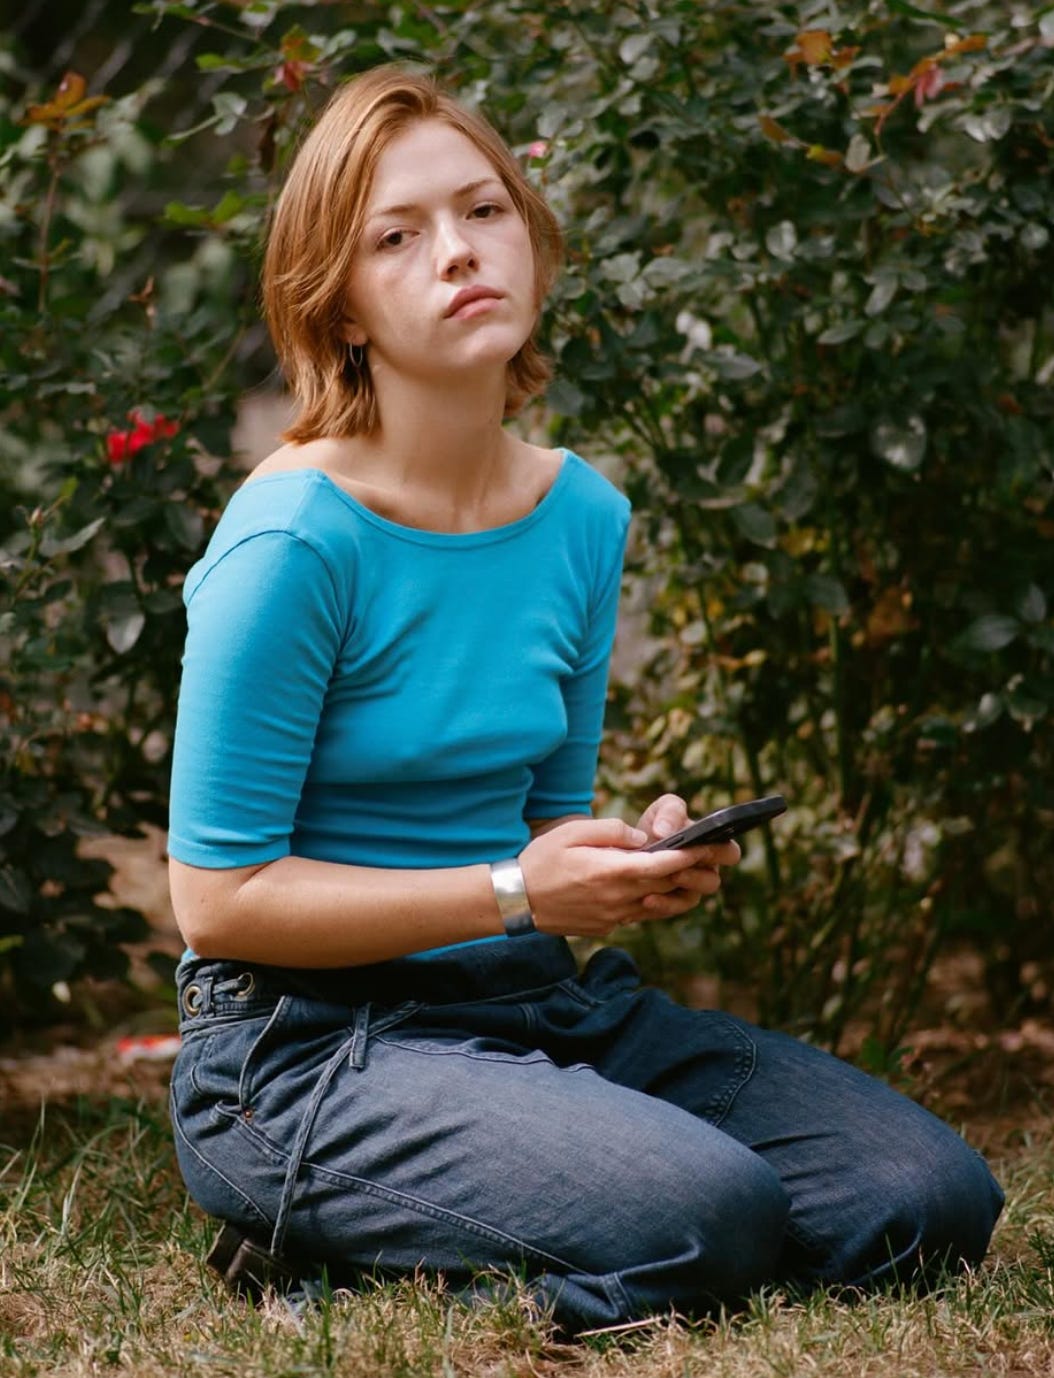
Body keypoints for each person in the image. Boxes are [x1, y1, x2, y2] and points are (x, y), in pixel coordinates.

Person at [167, 64, 1003, 1334]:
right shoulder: (293, 540)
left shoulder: (578, 514)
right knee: (707, 1209)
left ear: (534, 240)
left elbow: (539, 833)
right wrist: (515, 891)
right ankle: (329, 1243)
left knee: (924, 1199)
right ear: (338, 305)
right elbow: (217, 901)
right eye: (397, 237)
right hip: (303, 1048)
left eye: (483, 209)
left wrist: (624, 859)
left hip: (532, 1005)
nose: (458, 251)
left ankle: (550, 1216)